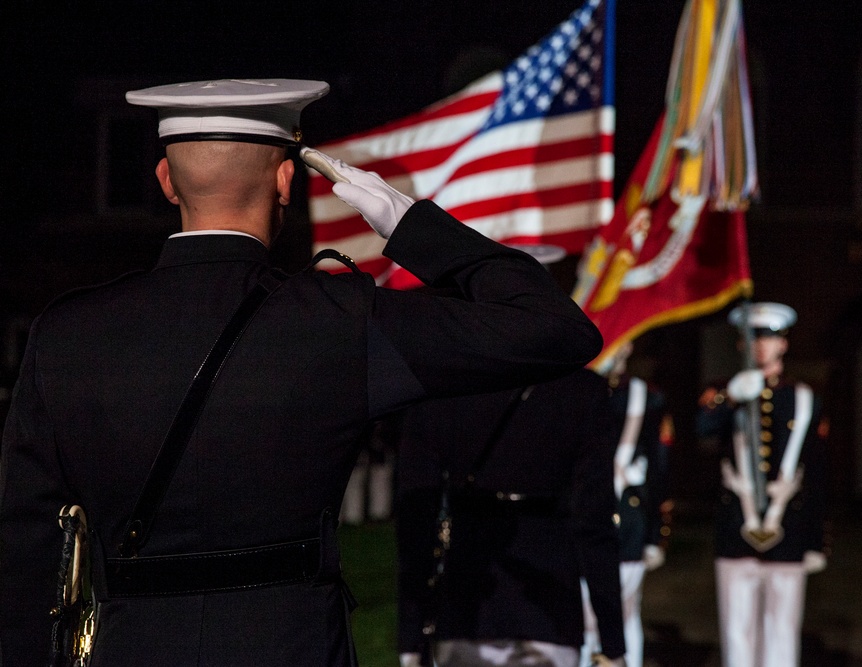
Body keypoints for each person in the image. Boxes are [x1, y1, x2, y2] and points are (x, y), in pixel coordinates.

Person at [0, 79, 603, 666]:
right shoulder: (338, 320)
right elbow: (558, 330)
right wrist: (410, 224)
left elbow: (26, 546)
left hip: (131, 645)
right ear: (286, 180)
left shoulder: (66, 333)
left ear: (166, 181)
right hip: (291, 642)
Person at [394, 243, 624, 667]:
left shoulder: (440, 386)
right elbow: (594, 520)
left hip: (465, 598)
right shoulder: (584, 392)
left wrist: (410, 635)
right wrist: (612, 640)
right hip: (549, 602)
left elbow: (416, 520)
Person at [695, 302, 828, 667]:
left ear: (783, 344)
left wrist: (816, 540)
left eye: (769, 337)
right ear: (741, 344)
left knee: (782, 631)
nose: (760, 346)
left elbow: (816, 471)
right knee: (737, 632)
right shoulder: (723, 393)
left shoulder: (803, 398)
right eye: (753, 338)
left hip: (789, 528)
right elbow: (702, 431)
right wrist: (731, 397)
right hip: (736, 528)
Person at [580, 340, 670, 667]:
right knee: (581, 614)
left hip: (628, 521)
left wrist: (655, 534)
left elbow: (658, 469)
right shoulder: (578, 393)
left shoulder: (648, 398)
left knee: (626, 611)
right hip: (583, 518)